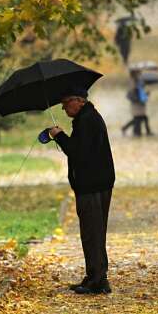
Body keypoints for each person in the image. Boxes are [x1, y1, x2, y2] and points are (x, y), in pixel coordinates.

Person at [49, 86, 115, 295]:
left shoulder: (87, 121)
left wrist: (59, 136)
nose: (63, 107)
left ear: (80, 101)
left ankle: (98, 280)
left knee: (92, 232)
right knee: (92, 232)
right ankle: (95, 274)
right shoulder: (86, 119)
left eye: (66, 102)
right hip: (94, 183)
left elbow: (78, 153)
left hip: (93, 185)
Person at [122, 70, 153, 137]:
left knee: (141, 118)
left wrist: (146, 94)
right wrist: (139, 97)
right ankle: (138, 132)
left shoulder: (138, 82)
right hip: (136, 104)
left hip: (139, 103)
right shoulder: (133, 82)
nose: (140, 75)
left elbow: (141, 92)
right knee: (139, 118)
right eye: (139, 74)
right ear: (135, 74)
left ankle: (129, 129)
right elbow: (131, 94)